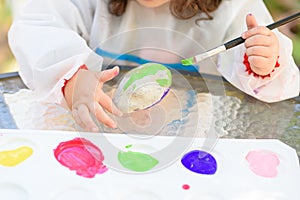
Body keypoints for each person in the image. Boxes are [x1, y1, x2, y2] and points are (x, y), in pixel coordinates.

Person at [8, 0, 299, 132]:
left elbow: (276, 86)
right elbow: (36, 24)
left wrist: (263, 61)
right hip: (104, 137)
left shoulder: (233, 7)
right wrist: (71, 75)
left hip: (195, 147)